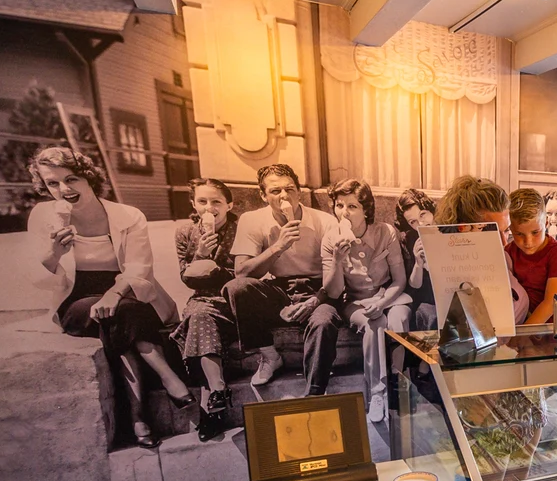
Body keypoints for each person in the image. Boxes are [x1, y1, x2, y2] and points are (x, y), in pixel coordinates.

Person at [26, 146, 184, 449]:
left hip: (125, 290)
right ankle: (168, 377)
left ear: (89, 177)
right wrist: (53, 253)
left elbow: (139, 267)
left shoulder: (128, 215)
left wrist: (113, 293)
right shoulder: (43, 216)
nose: (64, 189)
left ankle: (138, 418)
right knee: (121, 315)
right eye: (52, 183)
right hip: (75, 297)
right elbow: (37, 278)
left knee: (120, 315)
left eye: (71, 179)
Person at [225, 164, 344, 393]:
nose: (284, 196)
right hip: (279, 289)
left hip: (320, 288)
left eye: (289, 189)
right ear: (263, 196)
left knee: (324, 321)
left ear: (299, 192)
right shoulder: (251, 220)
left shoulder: (324, 221)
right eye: (275, 191)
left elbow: (335, 275)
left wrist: (315, 301)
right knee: (237, 287)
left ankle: (315, 392)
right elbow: (242, 272)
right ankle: (269, 356)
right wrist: (279, 246)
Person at [321, 179, 408, 423]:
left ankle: (400, 383)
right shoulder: (330, 239)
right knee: (375, 323)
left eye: (352, 206)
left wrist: (382, 302)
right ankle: (377, 393)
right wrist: (337, 260)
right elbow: (334, 293)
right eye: (339, 206)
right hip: (356, 301)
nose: (344, 213)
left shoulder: (385, 232)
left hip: (388, 294)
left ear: (366, 210)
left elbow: (399, 280)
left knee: (399, 317)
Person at [171, 178, 240, 441]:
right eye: (202, 201)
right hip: (202, 299)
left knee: (199, 322)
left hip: (232, 297)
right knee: (199, 316)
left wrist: (215, 268)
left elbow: (245, 272)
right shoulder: (185, 232)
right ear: (193, 204)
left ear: (229, 205)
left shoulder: (240, 228)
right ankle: (217, 389)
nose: (209, 208)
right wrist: (200, 254)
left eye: (216, 202)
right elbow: (186, 277)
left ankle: (210, 410)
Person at [434, 175, 530, 323]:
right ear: (463, 229)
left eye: (506, 230)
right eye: (492, 232)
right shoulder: (450, 272)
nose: (504, 243)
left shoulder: (504, 258)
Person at [507, 187, 557, 324]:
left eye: (535, 232)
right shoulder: (509, 251)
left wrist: (523, 333)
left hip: (554, 330)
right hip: (518, 325)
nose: (528, 242)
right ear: (510, 229)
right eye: (519, 234)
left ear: (546, 223)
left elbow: (551, 303)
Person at [396, 188, 438, 330]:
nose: (420, 223)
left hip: (450, 292)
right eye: (413, 221)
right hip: (426, 298)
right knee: (428, 315)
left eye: (423, 215)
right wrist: (418, 263)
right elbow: (414, 286)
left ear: (430, 210)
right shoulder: (409, 240)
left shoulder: (447, 229)